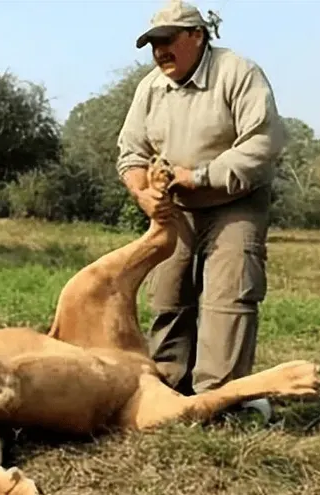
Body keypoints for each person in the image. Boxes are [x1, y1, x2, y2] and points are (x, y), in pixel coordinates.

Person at [115, 0, 287, 420]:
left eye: (168, 40)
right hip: (177, 206)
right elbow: (130, 153)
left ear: (197, 36)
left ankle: (222, 400)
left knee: (228, 297)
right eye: (153, 44)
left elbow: (263, 145)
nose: (160, 52)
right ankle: (171, 390)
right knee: (169, 295)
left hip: (235, 201)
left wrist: (202, 175)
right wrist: (142, 193)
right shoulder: (150, 88)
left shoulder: (238, 72)